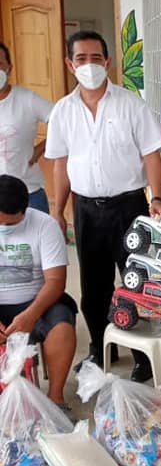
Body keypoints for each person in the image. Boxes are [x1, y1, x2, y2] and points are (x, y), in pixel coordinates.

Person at [44, 30, 161, 382]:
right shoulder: (63, 111)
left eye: (96, 58)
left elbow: (152, 154)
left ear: (108, 62)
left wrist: (157, 199)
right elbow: (60, 164)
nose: (89, 65)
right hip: (86, 210)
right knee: (94, 288)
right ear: (70, 64)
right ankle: (101, 350)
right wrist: (58, 211)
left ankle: (143, 356)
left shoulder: (130, 104)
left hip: (129, 208)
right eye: (81, 59)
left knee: (136, 283)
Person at [0, 174, 77, 410]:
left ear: (25, 210)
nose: (5, 228)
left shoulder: (45, 225)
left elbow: (55, 281)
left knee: (62, 328)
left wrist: (31, 315)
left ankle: (55, 400)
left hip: (38, 301)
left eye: (11, 224)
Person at [0, 42, 54, 213]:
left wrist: (40, 149)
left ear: (9, 68)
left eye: (0, 64)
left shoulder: (27, 99)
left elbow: (63, 121)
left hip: (28, 192)